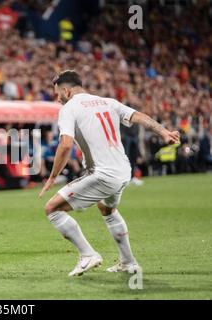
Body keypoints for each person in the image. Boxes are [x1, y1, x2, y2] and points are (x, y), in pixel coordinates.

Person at [39, 70, 180, 276]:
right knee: (107, 210)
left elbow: (65, 144)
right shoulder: (108, 101)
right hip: (123, 171)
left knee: (52, 209)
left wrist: (52, 176)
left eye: (58, 94)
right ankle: (128, 262)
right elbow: (138, 116)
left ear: (67, 91)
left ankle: (88, 255)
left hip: (102, 174)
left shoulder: (69, 108)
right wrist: (163, 131)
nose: (58, 98)